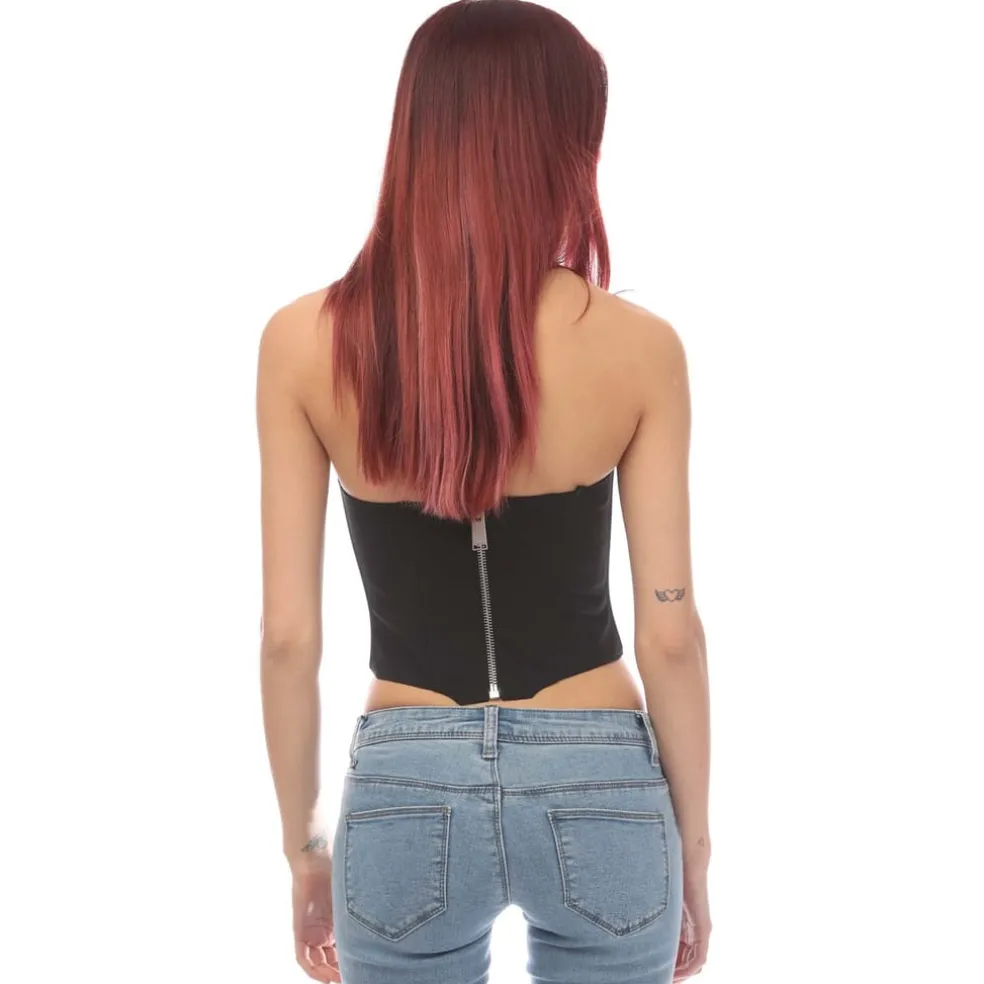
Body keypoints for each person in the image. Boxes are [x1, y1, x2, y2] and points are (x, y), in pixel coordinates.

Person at [255, 2, 711, 981]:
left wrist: (306, 850)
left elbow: (288, 638)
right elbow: (670, 632)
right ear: (560, 142)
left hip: (404, 785)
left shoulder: (303, 342)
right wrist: (695, 850)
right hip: (601, 779)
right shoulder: (638, 349)